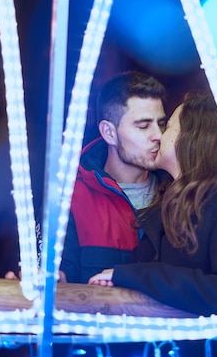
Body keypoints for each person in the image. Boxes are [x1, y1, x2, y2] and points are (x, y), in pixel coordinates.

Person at [88, 94, 217, 316]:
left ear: (191, 138)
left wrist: (135, 276)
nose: (159, 137)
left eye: (167, 127)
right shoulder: (169, 200)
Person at [58, 71, 168, 283]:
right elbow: (61, 274)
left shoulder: (179, 189)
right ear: (109, 132)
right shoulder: (71, 195)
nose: (158, 136)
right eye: (144, 126)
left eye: (162, 124)